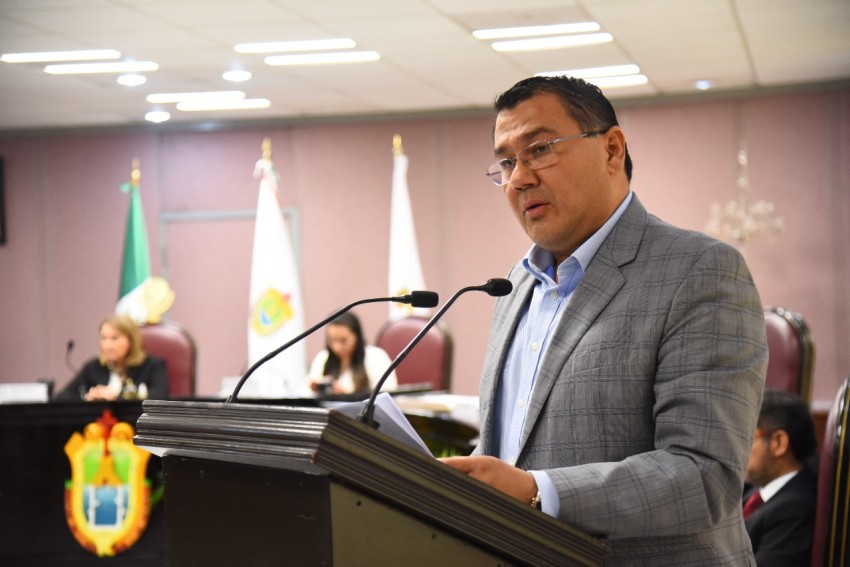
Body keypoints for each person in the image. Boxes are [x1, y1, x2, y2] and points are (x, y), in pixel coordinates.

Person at [439, 75, 768, 565]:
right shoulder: (514, 286)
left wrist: (538, 491)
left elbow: (705, 477)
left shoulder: (699, 270)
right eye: (506, 162)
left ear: (612, 149)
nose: (518, 178)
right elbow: (516, 449)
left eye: (539, 150)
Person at [743, 389, 818, 566]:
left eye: (746, 437)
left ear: (779, 442)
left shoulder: (795, 510)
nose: (738, 449)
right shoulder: (755, 490)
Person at [57, 314, 169, 401]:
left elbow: (160, 398)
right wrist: (87, 398)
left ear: (131, 341)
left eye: (114, 338)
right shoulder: (93, 367)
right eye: (103, 338)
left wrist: (116, 398)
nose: (107, 345)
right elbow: (62, 397)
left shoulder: (152, 366)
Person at [307, 312, 397, 394]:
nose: (337, 348)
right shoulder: (323, 358)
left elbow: (387, 395)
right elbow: (305, 392)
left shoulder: (376, 357)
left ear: (357, 336)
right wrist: (314, 389)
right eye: (331, 340)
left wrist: (347, 395)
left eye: (343, 340)